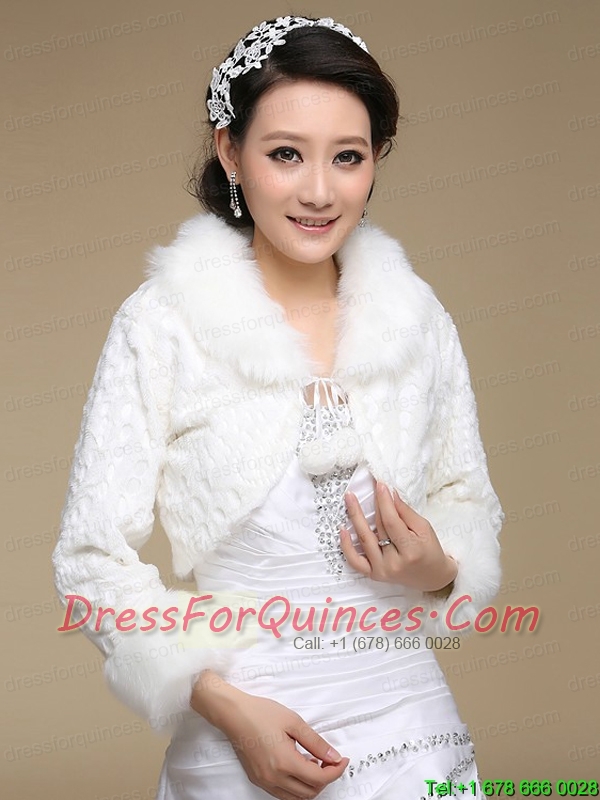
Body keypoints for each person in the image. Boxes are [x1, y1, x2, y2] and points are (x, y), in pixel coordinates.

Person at [52, 14, 505, 800]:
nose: (320, 191)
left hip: (411, 734)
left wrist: (441, 570)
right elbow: (90, 561)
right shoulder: (165, 325)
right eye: (286, 153)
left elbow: (467, 501)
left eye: (348, 156)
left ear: (375, 160)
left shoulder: (415, 319)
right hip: (243, 738)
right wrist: (227, 707)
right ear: (231, 152)